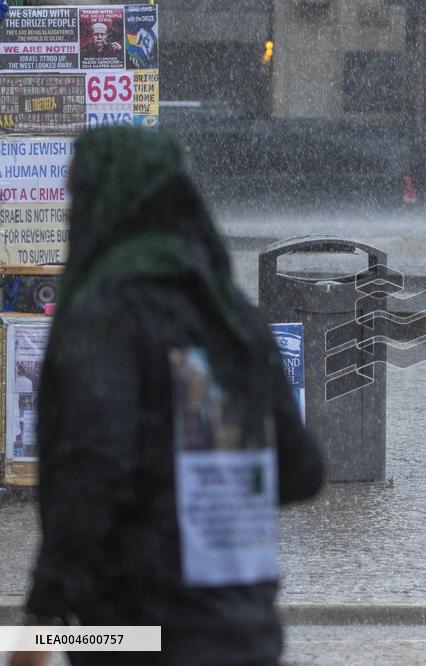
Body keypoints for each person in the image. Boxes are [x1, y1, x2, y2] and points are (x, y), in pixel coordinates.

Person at [11, 127, 324, 666]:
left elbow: (95, 466)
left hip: (139, 633)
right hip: (244, 632)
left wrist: (43, 618)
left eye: (76, 196)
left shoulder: (107, 311)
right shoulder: (231, 314)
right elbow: (302, 469)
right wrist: (206, 488)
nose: (68, 214)